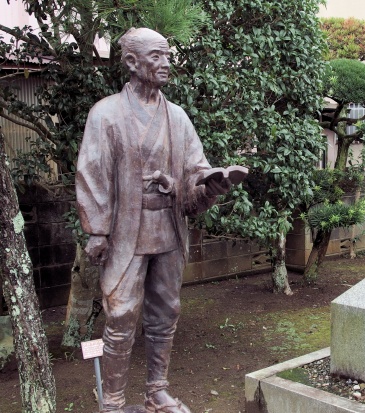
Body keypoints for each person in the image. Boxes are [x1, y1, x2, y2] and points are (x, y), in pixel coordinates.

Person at [76, 27, 230, 413]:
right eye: (156, 57)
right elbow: (92, 172)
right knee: (122, 314)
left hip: (167, 228)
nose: (166, 64)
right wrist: (97, 229)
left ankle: (156, 390)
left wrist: (209, 183)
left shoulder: (176, 117)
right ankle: (112, 399)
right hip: (127, 231)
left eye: (167, 56)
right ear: (131, 62)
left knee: (165, 310)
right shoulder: (106, 113)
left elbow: (196, 168)